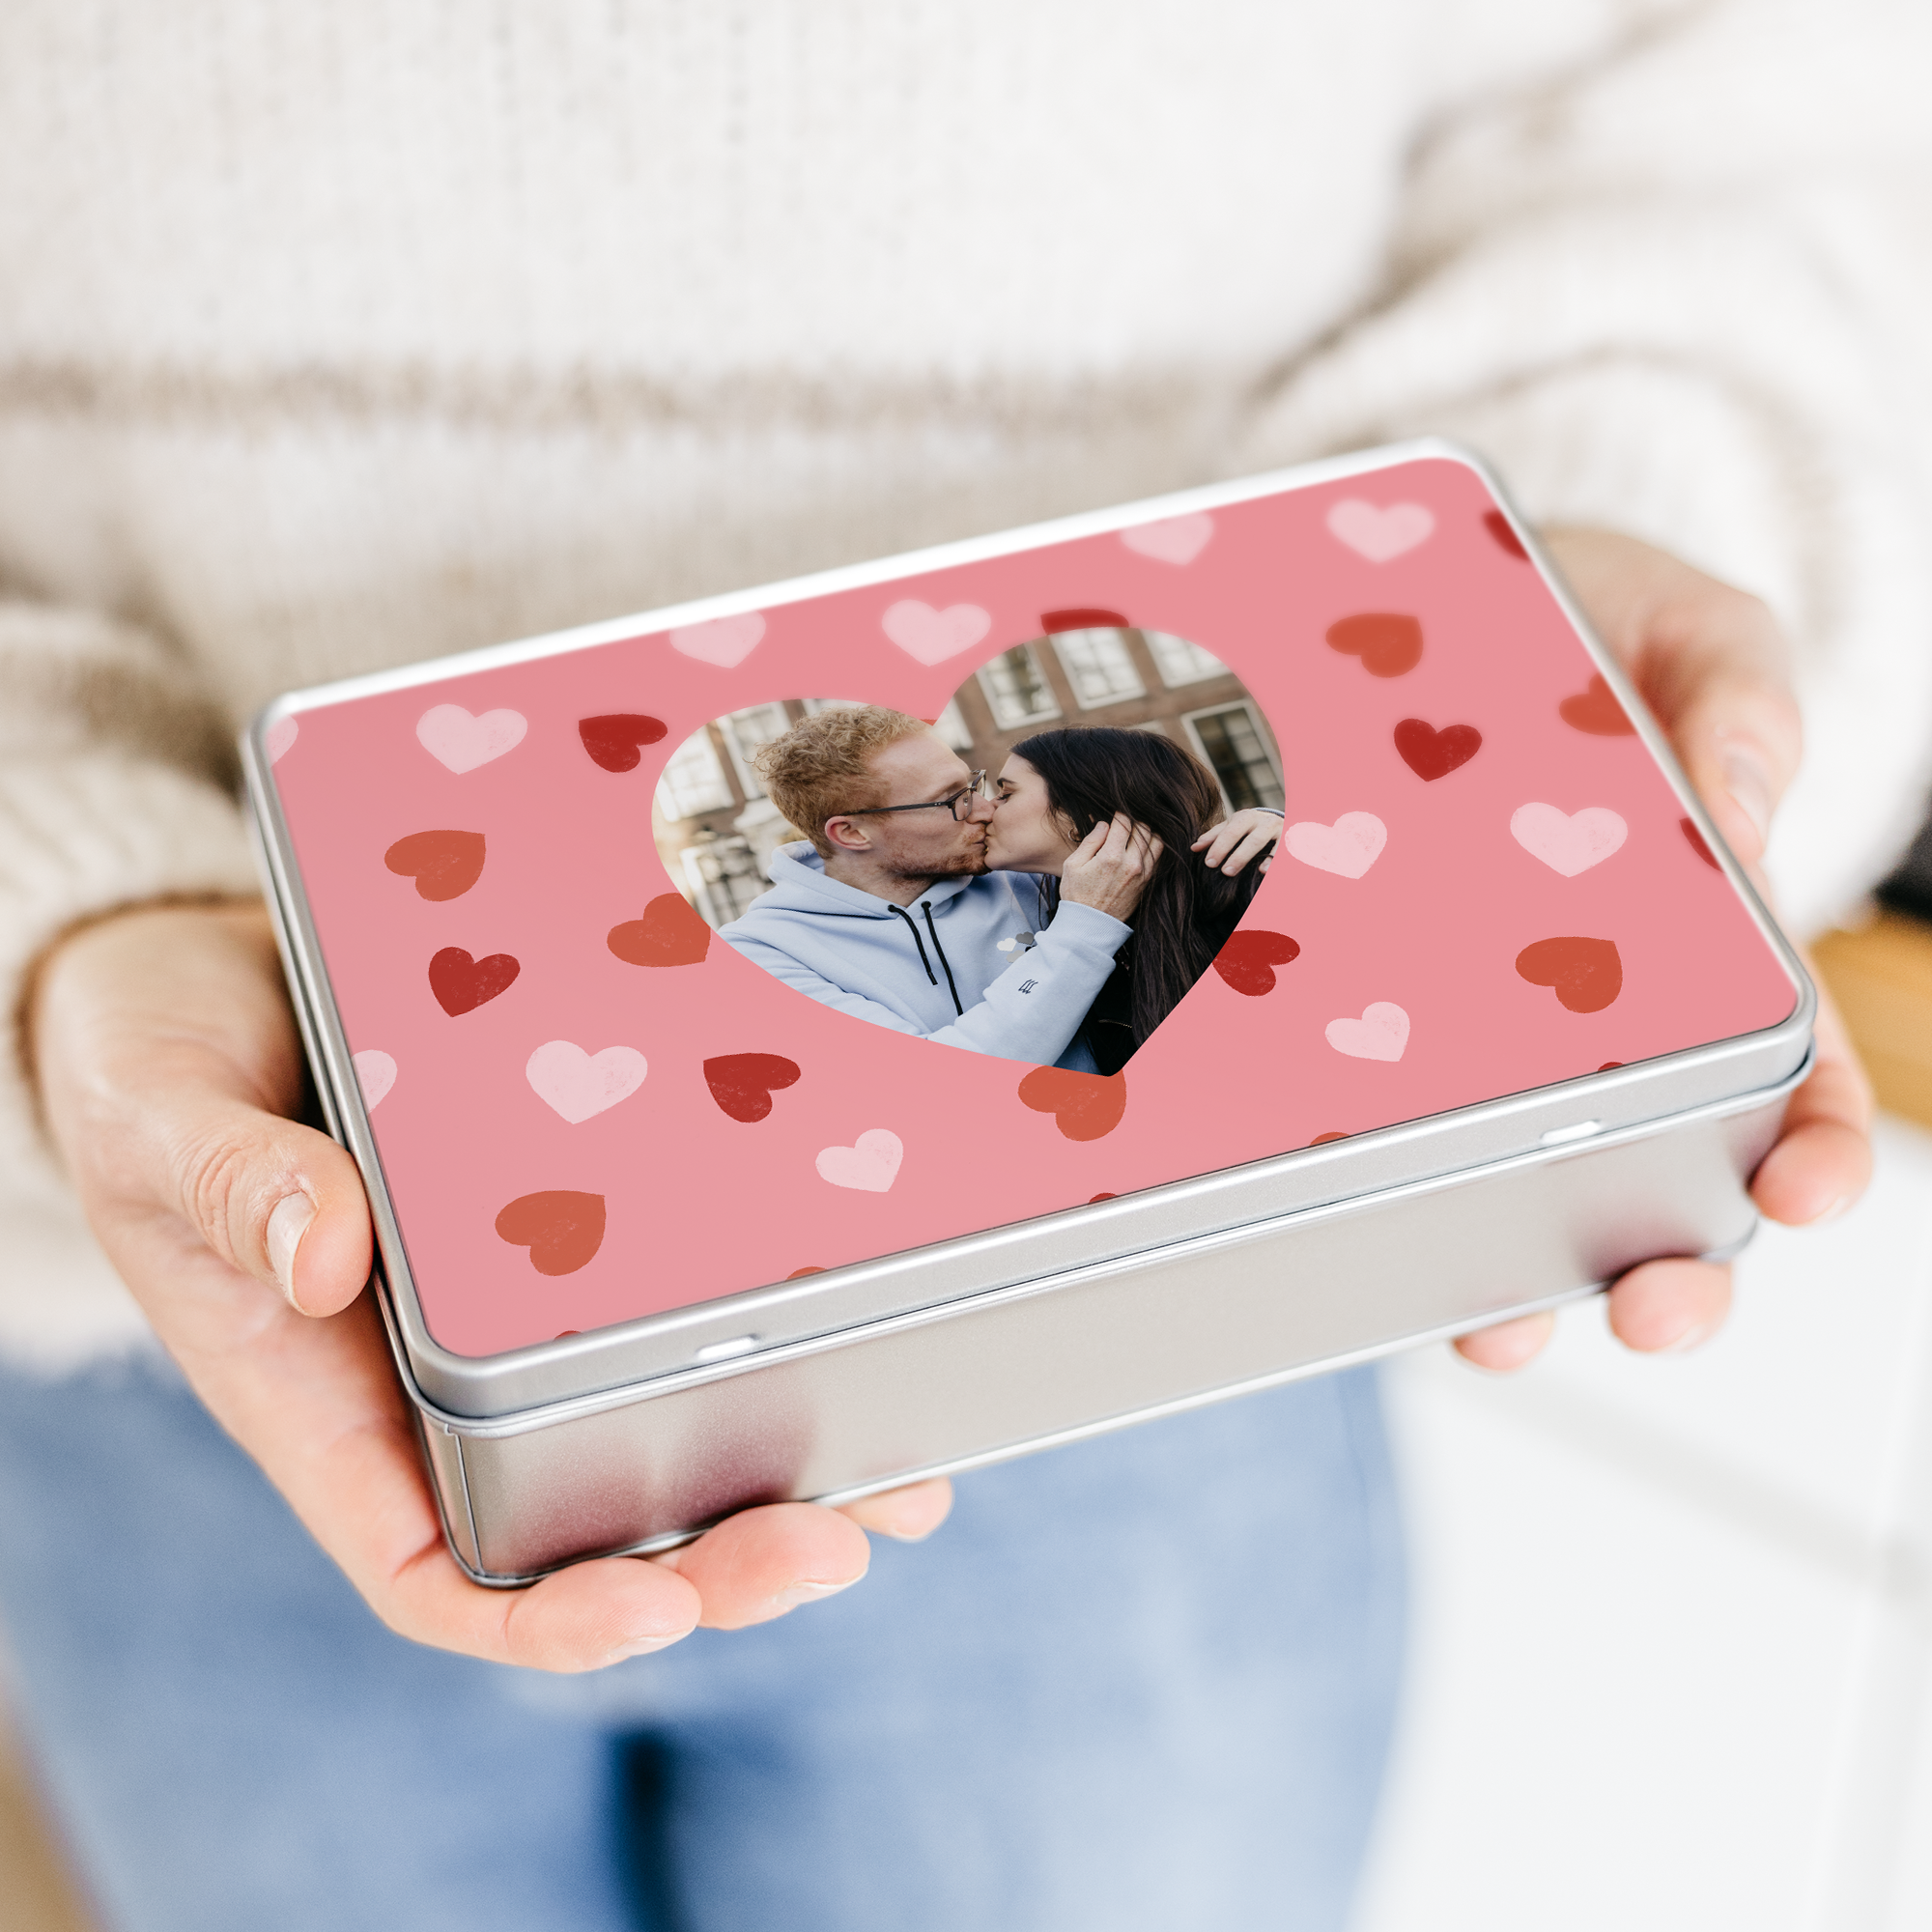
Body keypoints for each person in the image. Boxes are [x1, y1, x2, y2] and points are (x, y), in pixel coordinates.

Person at [1, 6, 1922, 1928]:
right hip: (192, 1339)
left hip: (1153, 1357)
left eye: (990, 781)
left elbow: (1704, 105)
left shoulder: (1030, 884)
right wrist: (64, 890)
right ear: (846, 843)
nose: (990, 805)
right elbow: (981, 1040)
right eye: (954, 798)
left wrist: (1600, 519)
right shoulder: (813, 923)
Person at [718, 704, 1284, 1069]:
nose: (984, 808)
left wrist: (1271, 832)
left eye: (977, 785)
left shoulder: (1028, 870)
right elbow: (943, 1085)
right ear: (852, 833)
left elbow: (1157, 843)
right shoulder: (762, 954)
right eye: (952, 800)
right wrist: (1086, 925)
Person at [983, 726, 1278, 1074]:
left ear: (1082, 812)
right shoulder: (1052, 912)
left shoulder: (1244, 887)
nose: (985, 809)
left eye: (1006, 794)